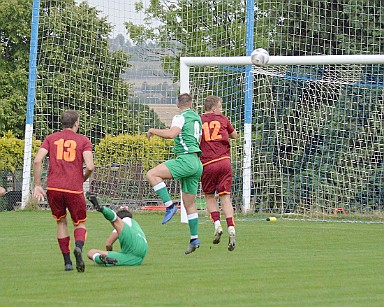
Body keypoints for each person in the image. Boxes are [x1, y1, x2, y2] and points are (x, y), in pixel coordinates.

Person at [33, 110, 94, 272]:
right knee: (80, 223)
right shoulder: (83, 141)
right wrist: (82, 179)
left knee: (61, 221)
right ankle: (79, 247)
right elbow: (90, 167)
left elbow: (38, 160)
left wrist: (37, 184)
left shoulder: (51, 139)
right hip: (73, 188)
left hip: (53, 187)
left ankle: (67, 262)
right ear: (76, 123)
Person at [146, 93, 203, 254]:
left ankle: (170, 206)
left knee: (152, 174)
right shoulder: (197, 118)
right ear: (191, 104)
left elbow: (172, 134)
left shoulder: (180, 116)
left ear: (178, 105)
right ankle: (194, 238)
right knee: (190, 204)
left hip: (185, 160)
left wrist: (152, 130)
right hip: (197, 163)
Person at [199, 96, 238, 251]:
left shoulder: (199, 120)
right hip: (224, 162)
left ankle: (217, 225)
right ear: (214, 108)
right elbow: (234, 136)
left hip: (208, 163)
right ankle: (231, 228)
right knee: (225, 198)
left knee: (209, 196)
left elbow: (198, 138)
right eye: (220, 106)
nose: (221, 109)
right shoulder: (222, 119)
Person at [86, 193, 148, 266]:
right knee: (118, 260)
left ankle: (102, 208)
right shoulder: (135, 224)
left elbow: (108, 244)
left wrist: (109, 253)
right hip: (138, 257)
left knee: (90, 253)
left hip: (132, 249)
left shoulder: (124, 222)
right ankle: (103, 259)